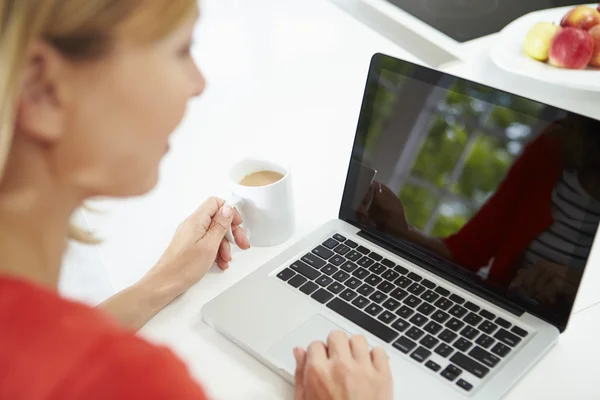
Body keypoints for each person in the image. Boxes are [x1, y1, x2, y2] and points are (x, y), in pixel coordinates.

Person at [0, 1, 393, 399]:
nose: (199, 83)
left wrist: (163, 281)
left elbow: (50, 346)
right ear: (42, 88)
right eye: (180, 50)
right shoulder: (139, 382)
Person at [358, 113, 600, 307]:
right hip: (506, 315)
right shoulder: (554, 146)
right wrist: (398, 229)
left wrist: (581, 285)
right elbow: (466, 254)